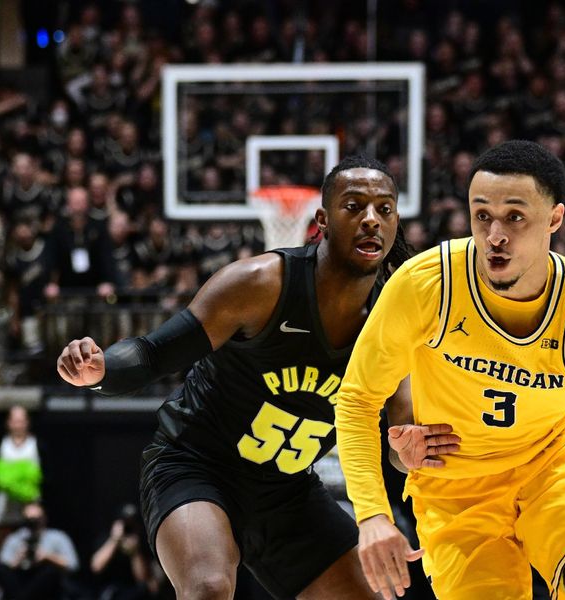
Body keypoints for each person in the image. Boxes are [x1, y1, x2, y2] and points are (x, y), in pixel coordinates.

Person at [56, 156, 446, 600]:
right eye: (354, 206)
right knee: (208, 587)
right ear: (322, 220)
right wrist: (101, 370)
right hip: (196, 465)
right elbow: (152, 354)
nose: (371, 220)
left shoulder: (393, 320)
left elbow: (400, 437)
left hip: (287, 488)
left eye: (384, 209)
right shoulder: (261, 284)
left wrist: (410, 451)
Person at [335, 140, 565, 600]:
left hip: (549, 470)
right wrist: (372, 516)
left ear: (555, 219)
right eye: (482, 215)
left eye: (515, 217)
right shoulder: (426, 285)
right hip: (453, 490)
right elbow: (358, 400)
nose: (495, 235)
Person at [0, 501, 79, 600]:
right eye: (29, 520)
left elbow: (73, 565)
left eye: (36, 519)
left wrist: (47, 557)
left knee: (51, 571)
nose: (33, 523)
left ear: (44, 518)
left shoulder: (57, 537)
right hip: (19, 581)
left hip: (44, 583)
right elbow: (2, 567)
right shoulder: (15, 538)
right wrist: (17, 560)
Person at [90, 503, 153, 600]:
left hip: (132, 592)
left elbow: (142, 579)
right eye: (125, 523)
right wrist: (115, 540)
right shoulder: (105, 538)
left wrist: (135, 552)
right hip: (110, 591)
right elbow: (96, 567)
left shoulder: (141, 543)